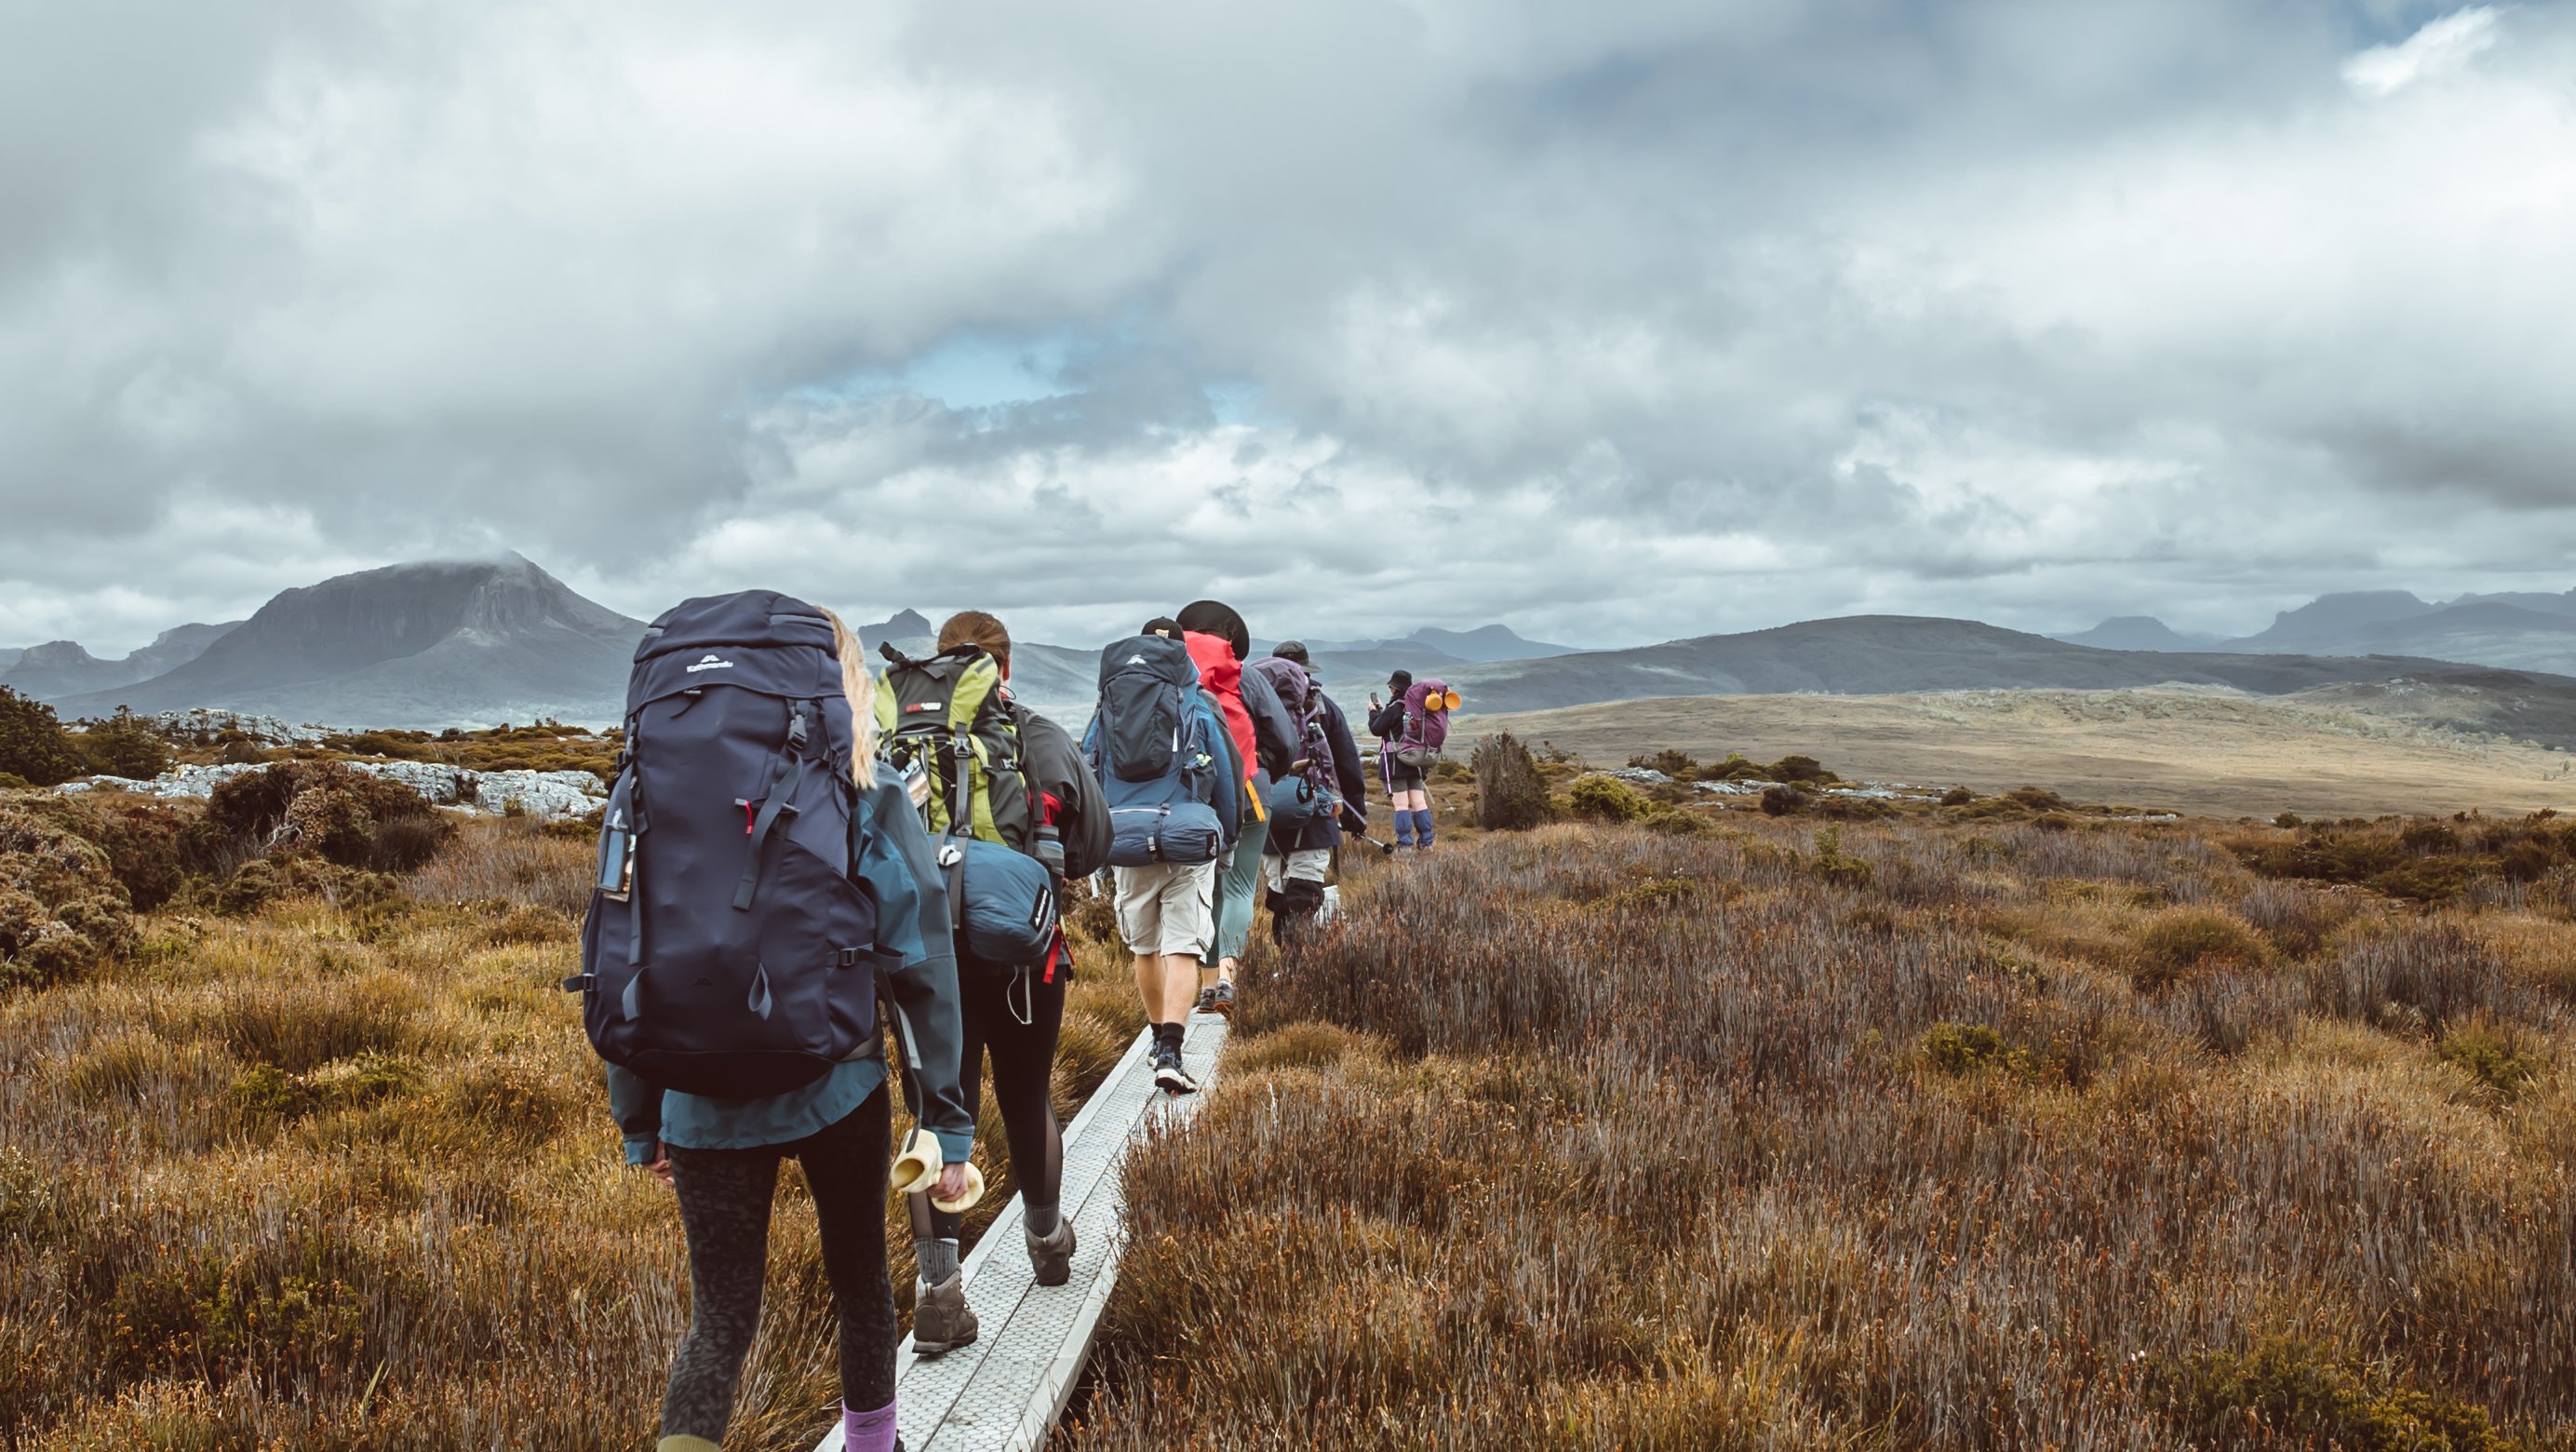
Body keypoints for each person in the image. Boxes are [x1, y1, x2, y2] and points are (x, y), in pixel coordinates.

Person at [609, 609, 974, 1452]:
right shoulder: (864, 792)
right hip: (838, 1082)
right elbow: (920, 965)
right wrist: (946, 1121)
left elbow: (625, 952)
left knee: (721, 1319)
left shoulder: (648, 794)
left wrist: (641, 1120)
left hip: (696, 1099)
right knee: (860, 1287)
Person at [904, 610, 1110, 1356]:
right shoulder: (1037, 733)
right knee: (1025, 1096)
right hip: (1024, 958)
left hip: (921, 960)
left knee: (937, 1110)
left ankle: (938, 1294)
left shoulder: (901, 740)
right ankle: (1048, 1239)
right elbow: (1092, 842)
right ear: (1004, 667)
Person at [1095, 617, 1241, 1094]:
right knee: (1183, 944)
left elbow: (1087, 764)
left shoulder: (1109, 705)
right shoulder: (1198, 702)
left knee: (1145, 946)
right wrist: (1228, 834)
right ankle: (1172, 1053)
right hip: (1186, 834)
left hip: (1126, 839)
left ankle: (1157, 1039)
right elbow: (1225, 772)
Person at [1174, 599, 1297, 1018]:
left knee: (1204, 889)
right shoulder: (1244, 675)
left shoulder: (1165, 674)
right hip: (1247, 787)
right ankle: (1229, 975)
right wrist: (1267, 770)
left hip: (1188, 796)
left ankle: (1206, 987)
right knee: (1241, 885)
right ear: (1229, 638)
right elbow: (1284, 737)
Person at [1255, 640, 1369, 938]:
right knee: (1305, 885)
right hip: (1313, 807)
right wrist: (1355, 813)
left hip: (1264, 807)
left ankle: (1287, 960)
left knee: (1279, 886)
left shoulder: (1251, 708)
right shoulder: (1322, 707)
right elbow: (1346, 761)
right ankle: (1300, 962)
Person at [1367, 668, 1432, 849]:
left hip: (1395, 763)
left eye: (1391, 687)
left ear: (1395, 688)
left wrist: (1373, 712)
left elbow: (1376, 729)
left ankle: (1405, 846)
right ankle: (1427, 843)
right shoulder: (1418, 708)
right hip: (1416, 761)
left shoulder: (1395, 708)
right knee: (1420, 802)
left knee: (1401, 804)